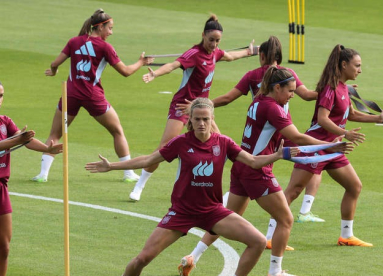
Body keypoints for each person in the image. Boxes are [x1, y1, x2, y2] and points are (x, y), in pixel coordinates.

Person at [85, 97, 299, 276]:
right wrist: (112, 166)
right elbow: (148, 160)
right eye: (197, 119)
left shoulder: (223, 143)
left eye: (206, 119)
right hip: (182, 212)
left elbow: (252, 161)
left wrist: (277, 155)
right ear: (191, 120)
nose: (202, 123)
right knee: (142, 259)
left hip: (212, 211)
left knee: (258, 241)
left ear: (212, 119)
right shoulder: (181, 142)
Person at [177, 68, 352, 276]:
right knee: (286, 219)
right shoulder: (273, 108)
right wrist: (328, 145)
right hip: (257, 169)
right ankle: (275, 271)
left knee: (227, 217)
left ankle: (192, 257)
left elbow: (282, 137)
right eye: (290, 91)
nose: (293, 95)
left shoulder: (259, 101)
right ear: (277, 88)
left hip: (242, 165)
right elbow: (297, 136)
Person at [129, 14, 258, 201]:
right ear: (203, 35)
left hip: (202, 109)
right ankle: (140, 185)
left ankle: (232, 190)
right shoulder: (194, 54)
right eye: (211, 40)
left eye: (218, 41)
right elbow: (173, 65)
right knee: (165, 147)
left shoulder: (216, 53)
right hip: (183, 106)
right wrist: (155, 74)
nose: (214, 44)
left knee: (222, 144)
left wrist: (248, 51)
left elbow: (230, 56)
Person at [32, 8, 154, 183]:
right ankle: (128, 173)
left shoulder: (74, 41)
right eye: (109, 28)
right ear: (100, 27)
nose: (111, 32)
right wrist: (141, 62)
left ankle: (43, 174)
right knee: (117, 131)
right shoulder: (105, 47)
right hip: (93, 96)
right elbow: (126, 72)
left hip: (71, 95)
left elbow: (54, 63)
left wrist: (54, 71)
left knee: (55, 134)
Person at [282, 44, 383, 247]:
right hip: (316, 147)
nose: (360, 70)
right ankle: (268, 237)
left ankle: (346, 236)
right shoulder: (330, 87)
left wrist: (378, 117)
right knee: (293, 191)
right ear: (344, 65)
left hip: (333, 148)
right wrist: (344, 133)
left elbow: (351, 114)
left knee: (354, 186)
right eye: (357, 65)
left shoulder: (344, 87)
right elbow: (322, 118)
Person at [0, 76, 63, 276]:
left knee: (4, 249)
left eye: (2, 96)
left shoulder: (5, 121)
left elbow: (26, 140)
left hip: (0, 188)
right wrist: (15, 140)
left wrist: (47, 148)